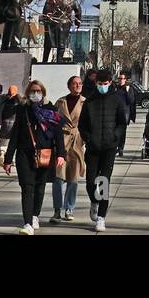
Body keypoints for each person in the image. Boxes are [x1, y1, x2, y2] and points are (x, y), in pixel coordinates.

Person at [3, 80, 66, 233]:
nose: (35, 94)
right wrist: (8, 159)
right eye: (33, 91)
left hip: (45, 154)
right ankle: (27, 223)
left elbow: (58, 134)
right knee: (27, 187)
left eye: (38, 91)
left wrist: (61, 154)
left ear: (43, 93)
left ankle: (35, 215)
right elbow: (15, 134)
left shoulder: (51, 111)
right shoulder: (22, 110)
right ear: (28, 93)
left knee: (39, 187)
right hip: (24, 154)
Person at [79, 70, 127, 232]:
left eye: (105, 84)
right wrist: (87, 138)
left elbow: (122, 122)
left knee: (104, 181)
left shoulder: (117, 100)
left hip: (109, 147)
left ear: (110, 83)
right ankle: (94, 201)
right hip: (92, 147)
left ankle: (101, 217)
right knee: (90, 181)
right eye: (100, 84)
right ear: (96, 83)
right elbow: (82, 124)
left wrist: (116, 136)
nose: (102, 87)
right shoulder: (90, 101)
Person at [53, 76, 85, 221]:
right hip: (61, 143)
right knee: (58, 178)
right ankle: (57, 210)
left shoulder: (85, 103)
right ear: (69, 86)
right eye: (74, 83)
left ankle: (69, 208)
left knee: (73, 179)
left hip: (77, 143)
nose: (77, 86)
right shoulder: (60, 102)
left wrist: (84, 138)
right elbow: (52, 121)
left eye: (79, 83)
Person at [113, 72, 138, 155]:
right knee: (114, 131)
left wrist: (127, 92)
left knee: (122, 132)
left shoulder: (128, 88)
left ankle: (120, 148)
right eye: (119, 79)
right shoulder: (115, 88)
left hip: (124, 113)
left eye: (122, 79)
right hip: (115, 113)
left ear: (125, 80)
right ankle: (115, 146)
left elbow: (131, 101)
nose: (120, 80)